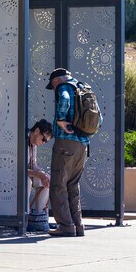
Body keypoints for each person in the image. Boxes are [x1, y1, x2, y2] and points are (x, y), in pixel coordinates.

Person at [45, 68, 96, 237]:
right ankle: (78, 225)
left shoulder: (64, 88)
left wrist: (60, 119)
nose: (53, 90)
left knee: (58, 185)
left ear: (57, 81)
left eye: (52, 86)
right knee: (73, 186)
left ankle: (66, 226)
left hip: (66, 144)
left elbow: (65, 100)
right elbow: (99, 118)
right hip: (83, 145)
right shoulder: (84, 89)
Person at [27, 119, 53, 232]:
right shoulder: (22, 140)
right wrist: (37, 173)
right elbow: (18, 168)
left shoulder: (33, 145)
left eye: (46, 141)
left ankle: (39, 216)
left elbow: (33, 165)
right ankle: (25, 217)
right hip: (11, 175)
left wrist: (42, 174)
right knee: (26, 181)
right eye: (43, 139)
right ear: (37, 131)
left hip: (25, 173)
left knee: (46, 179)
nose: (43, 142)